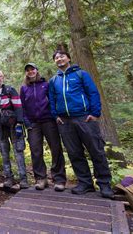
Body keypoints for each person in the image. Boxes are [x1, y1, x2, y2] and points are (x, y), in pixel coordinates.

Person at [48, 49, 114, 199]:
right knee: (74, 153)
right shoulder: (54, 80)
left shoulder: (81, 74)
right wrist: (55, 115)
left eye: (62, 56)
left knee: (96, 150)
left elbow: (93, 93)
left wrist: (95, 113)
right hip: (64, 121)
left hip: (84, 118)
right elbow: (52, 99)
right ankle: (85, 183)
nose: (59, 59)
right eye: (56, 58)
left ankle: (104, 184)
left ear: (69, 58)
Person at [20, 63, 67, 191]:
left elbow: (53, 100)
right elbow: (22, 107)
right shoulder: (24, 88)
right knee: (36, 151)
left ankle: (59, 179)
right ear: (26, 73)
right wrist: (26, 122)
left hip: (49, 121)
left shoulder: (46, 85)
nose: (30, 72)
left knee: (55, 149)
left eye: (32, 69)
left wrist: (54, 115)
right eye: (28, 70)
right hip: (33, 123)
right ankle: (41, 178)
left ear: (37, 70)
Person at [0, 70, 28, 188]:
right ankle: (8, 178)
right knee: (4, 152)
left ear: (3, 77)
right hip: (0, 125)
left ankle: (23, 179)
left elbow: (18, 106)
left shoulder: (10, 90)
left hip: (13, 123)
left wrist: (20, 123)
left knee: (18, 150)